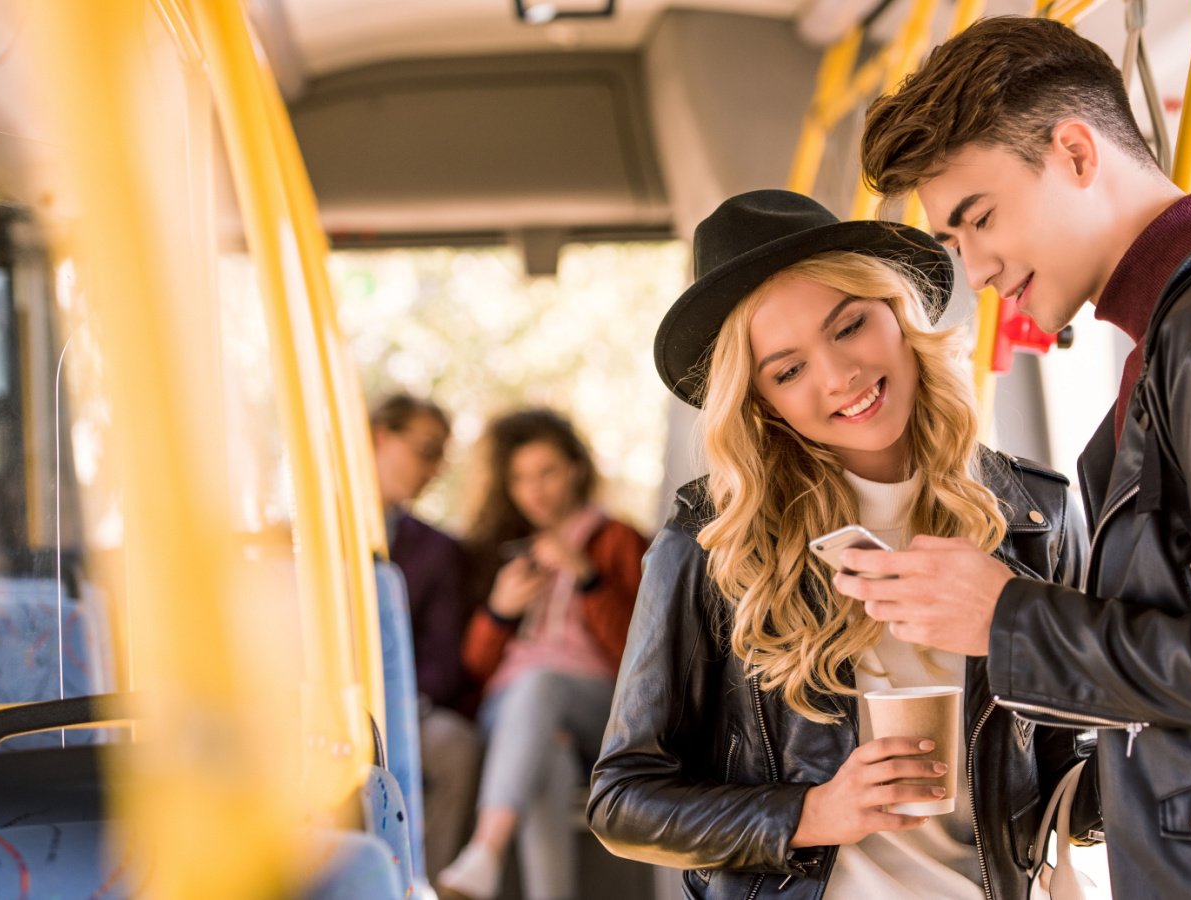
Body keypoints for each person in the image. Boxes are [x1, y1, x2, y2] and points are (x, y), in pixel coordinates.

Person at [841, 15, 1191, 899]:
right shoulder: (1178, 338)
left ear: (1076, 152)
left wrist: (1008, 619)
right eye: (955, 245)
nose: (979, 268)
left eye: (979, 219)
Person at [588, 189, 1092, 900]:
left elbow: (1076, 776)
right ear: (761, 402)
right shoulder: (713, 540)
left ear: (896, 314)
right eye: (788, 370)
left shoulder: (1034, 517)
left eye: (849, 326)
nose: (838, 376)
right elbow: (621, 801)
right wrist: (812, 813)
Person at [436, 408, 649, 900]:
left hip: (598, 710)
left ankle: (484, 850)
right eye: (520, 478)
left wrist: (587, 576)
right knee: (545, 755)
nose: (535, 490)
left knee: (541, 682)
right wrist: (499, 612)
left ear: (576, 468)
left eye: (547, 472)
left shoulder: (617, 538)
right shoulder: (502, 549)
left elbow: (640, 655)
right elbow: (475, 668)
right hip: (514, 718)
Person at [370, 393, 479, 884]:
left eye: (442, 456)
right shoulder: (295, 532)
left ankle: (422, 885)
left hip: (402, 709)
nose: (434, 469)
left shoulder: (438, 550)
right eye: (425, 449)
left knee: (452, 744)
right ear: (378, 438)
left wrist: (398, 701)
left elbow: (444, 658)